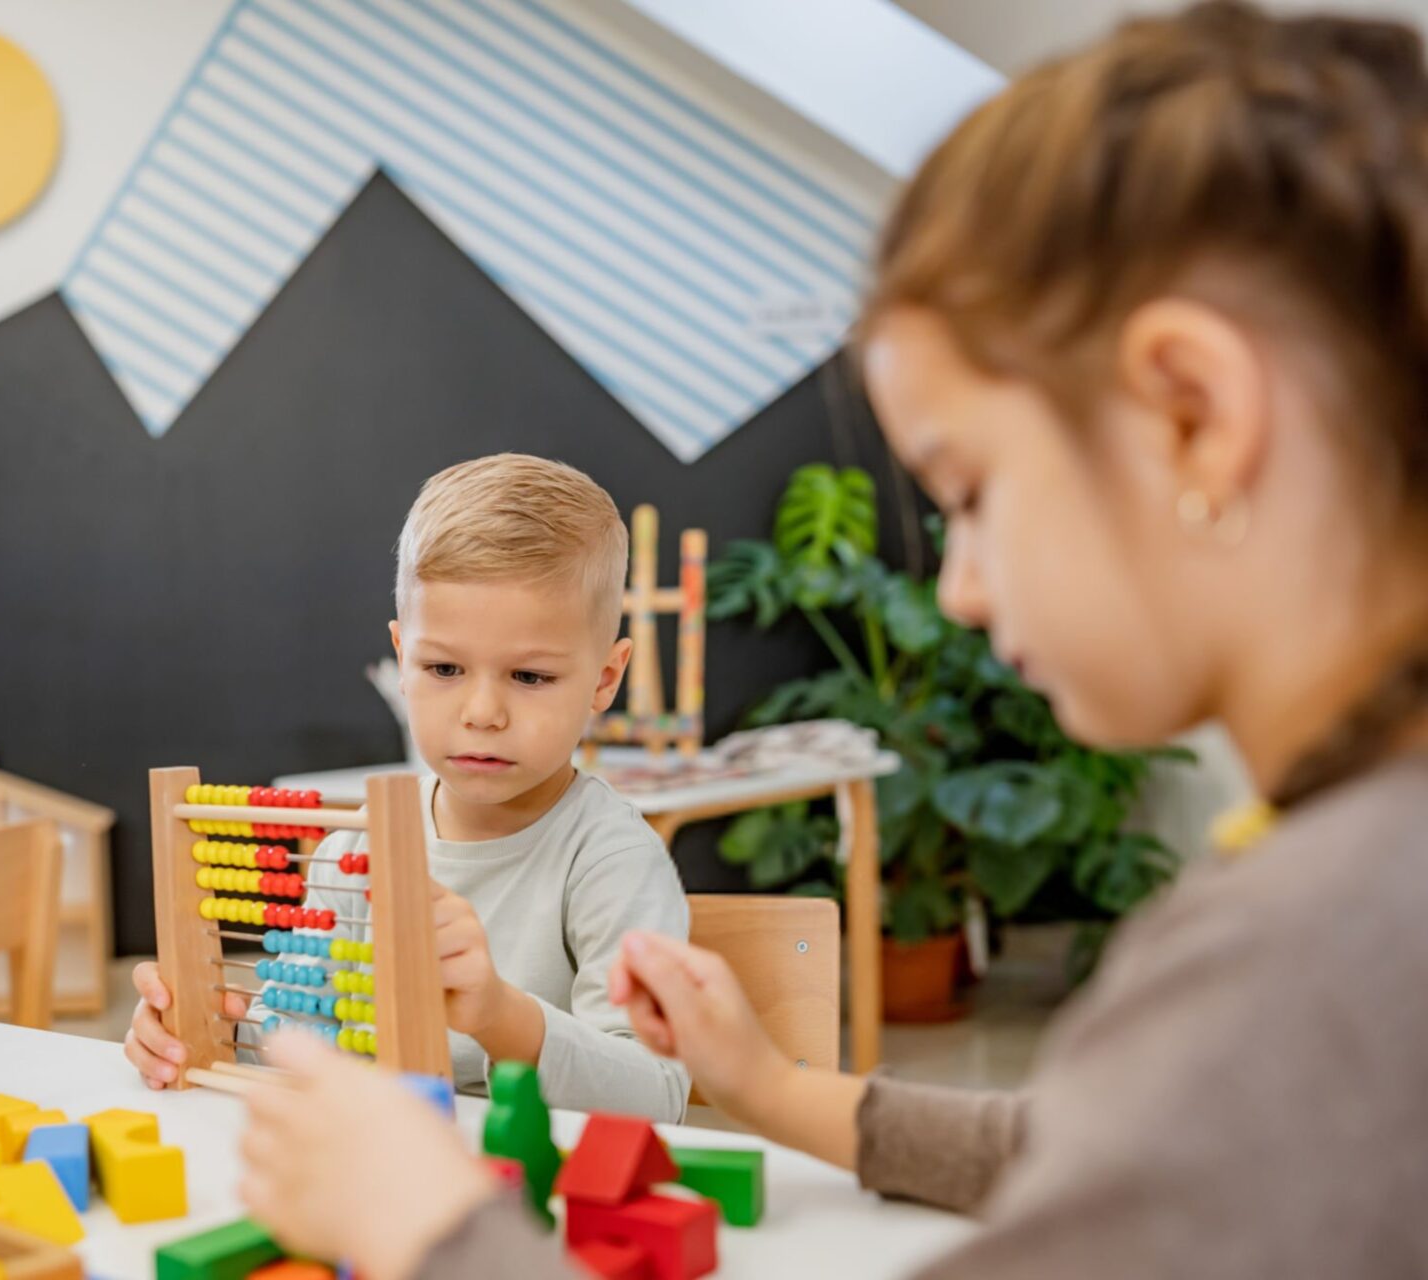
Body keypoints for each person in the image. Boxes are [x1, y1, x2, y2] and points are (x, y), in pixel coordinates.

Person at [232, 5, 1428, 1276]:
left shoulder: (1332, 934)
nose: (959, 587)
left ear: (1193, 414)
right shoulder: (1351, 862)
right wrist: (768, 1082)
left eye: (970, 492)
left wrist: (433, 1234)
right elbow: (1117, 1151)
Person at [129, 455, 691, 1119]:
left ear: (605, 677)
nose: (483, 712)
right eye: (445, 667)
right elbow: (288, 1048)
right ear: (402, 658)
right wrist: (201, 1027)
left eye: (530, 677)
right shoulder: (353, 850)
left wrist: (499, 1016)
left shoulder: (609, 860)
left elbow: (657, 1098)